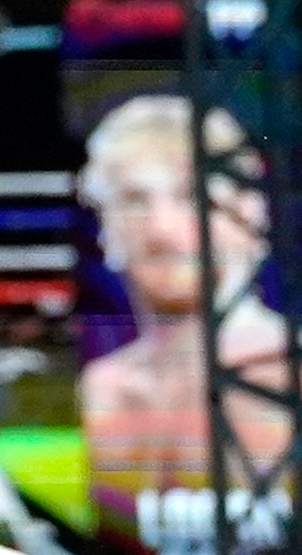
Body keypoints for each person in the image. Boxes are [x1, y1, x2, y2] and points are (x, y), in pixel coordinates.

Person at [75, 91, 295, 512]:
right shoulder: (100, 389)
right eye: (134, 200)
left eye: (190, 195)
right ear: (105, 223)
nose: (161, 229)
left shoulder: (289, 374)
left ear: (249, 212)